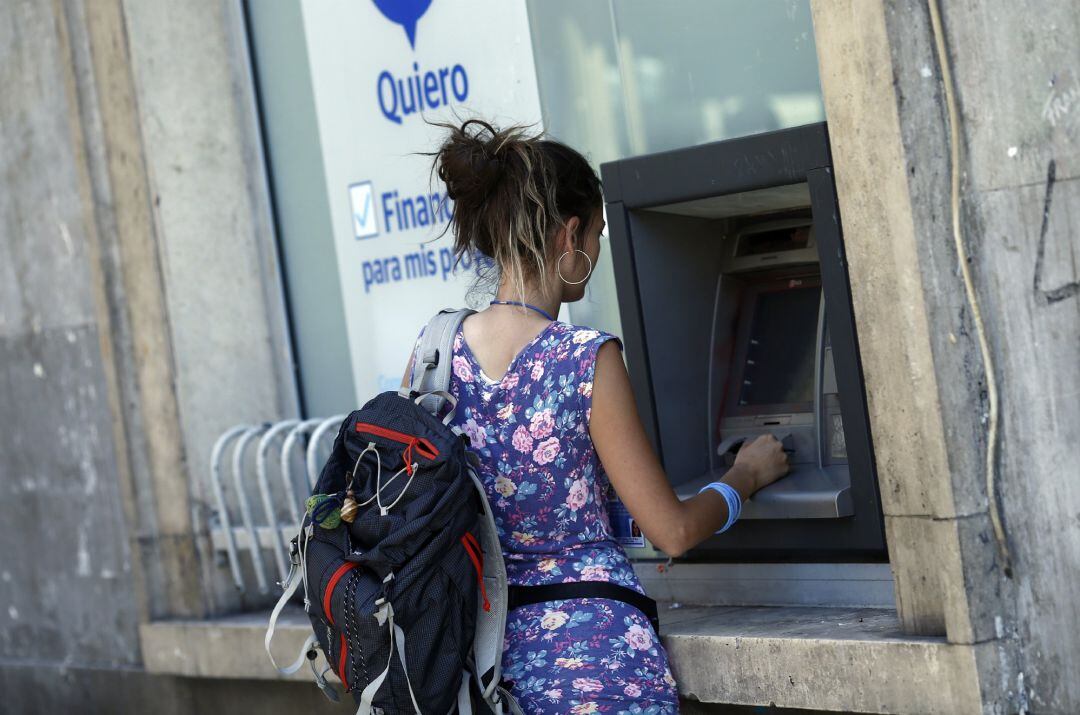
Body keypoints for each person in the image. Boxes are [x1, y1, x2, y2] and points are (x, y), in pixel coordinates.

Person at [403, 119, 789, 714]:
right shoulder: (585, 358)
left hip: (484, 673)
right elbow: (674, 532)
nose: (598, 251)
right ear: (571, 233)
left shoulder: (434, 351)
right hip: (600, 670)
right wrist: (746, 478)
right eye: (599, 233)